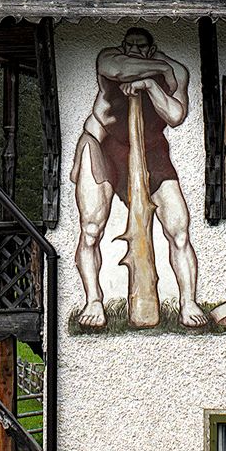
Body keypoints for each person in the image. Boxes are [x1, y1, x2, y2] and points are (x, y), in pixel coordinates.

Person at [70, 28, 205, 329]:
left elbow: (175, 116)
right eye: (128, 45)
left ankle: (188, 302)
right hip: (103, 146)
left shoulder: (177, 72)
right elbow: (119, 70)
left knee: (179, 229)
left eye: (140, 46)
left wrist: (151, 85)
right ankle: (93, 300)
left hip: (151, 151)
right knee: (91, 229)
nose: (132, 50)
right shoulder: (109, 58)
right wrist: (159, 68)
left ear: (152, 48)